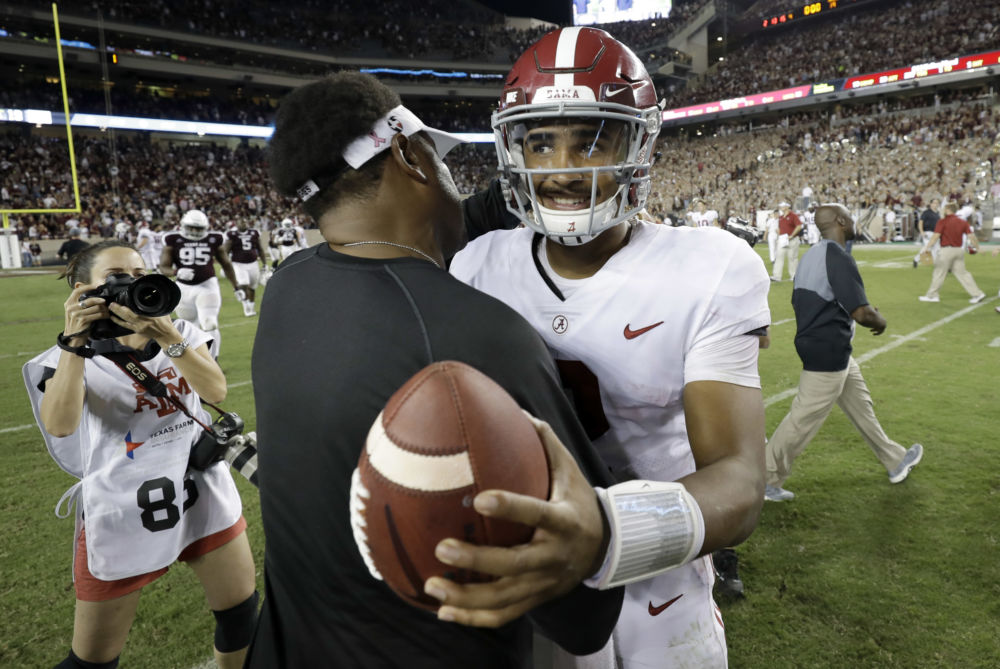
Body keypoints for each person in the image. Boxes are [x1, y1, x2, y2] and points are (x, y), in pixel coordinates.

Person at [249, 71, 641, 668]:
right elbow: (585, 610)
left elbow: (450, 226)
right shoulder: (475, 334)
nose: (455, 182)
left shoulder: (288, 287)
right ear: (408, 153)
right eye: (443, 160)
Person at [450, 26, 769, 668]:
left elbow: (738, 481)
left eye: (596, 137)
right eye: (542, 143)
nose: (565, 168)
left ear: (640, 142)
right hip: (535, 583)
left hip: (665, 584)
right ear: (514, 150)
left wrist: (605, 531)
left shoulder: (710, 267)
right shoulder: (478, 265)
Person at [21, 240, 257, 669]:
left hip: (200, 491)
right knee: (91, 661)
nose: (130, 284)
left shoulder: (180, 333)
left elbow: (216, 391)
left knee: (241, 616)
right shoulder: (67, 356)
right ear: (81, 291)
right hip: (122, 507)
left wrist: (164, 333)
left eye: (137, 271)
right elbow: (60, 423)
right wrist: (74, 342)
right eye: (115, 278)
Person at [763, 204, 923, 502]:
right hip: (828, 350)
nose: (853, 221)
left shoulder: (813, 254)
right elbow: (860, 312)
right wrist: (880, 320)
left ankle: (894, 460)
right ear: (840, 221)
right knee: (804, 417)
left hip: (821, 344)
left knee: (861, 405)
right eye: (849, 217)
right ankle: (766, 478)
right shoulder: (837, 256)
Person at [159, 209, 243, 357]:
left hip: (207, 285)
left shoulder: (213, 239)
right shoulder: (172, 239)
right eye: (191, 227)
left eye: (198, 228)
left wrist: (236, 286)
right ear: (183, 225)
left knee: (209, 323)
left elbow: (226, 264)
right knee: (188, 326)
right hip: (183, 288)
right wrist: (176, 272)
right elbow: (163, 267)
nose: (194, 231)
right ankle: (197, 360)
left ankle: (213, 359)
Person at [917, 201, 986, 304]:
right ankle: (977, 294)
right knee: (962, 273)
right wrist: (978, 248)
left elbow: (935, 236)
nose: (943, 210)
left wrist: (927, 247)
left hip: (946, 251)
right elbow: (972, 237)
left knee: (939, 273)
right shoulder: (963, 222)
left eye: (945, 209)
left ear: (948, 210)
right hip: (959, 250)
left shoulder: (943, 222)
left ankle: (932, 296)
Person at [224, 219, 270, 317]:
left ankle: (251, 307)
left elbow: (260, 249)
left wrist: (265, 264)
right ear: (237, 224)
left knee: (253, 287)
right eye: (241, 222)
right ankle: (246, 307)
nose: (243, 223)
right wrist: (225, 264)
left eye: (245, 222)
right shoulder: (232, 234)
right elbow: (225, 251)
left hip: (253, 263)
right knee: (244, 283)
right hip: (238, 263)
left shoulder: (254, 233)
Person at [771, 201, 803, 281]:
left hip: (792, 239)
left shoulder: (793, 216)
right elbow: (780, 228)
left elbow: (799, 226)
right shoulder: (781, 217)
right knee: (779, 257)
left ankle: (794, 276)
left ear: (787, 206)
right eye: (781, 206)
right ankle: (776, 276)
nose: (781, 207)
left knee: (792, 258)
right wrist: (778, 233)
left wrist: (792, 235)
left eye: (783, 206)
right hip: (783, 240)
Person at [913, 198, 940, 268]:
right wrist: (921, 231)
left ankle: (916, 259)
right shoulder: (926, 212)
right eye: (934, 203)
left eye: (937, 203)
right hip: (927, 232)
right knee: (931, 248)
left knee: (933, 248)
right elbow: (920, 222)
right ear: (930, 204)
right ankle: (937, 265)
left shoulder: (938, 213)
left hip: (935, 233)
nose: (935, 204)